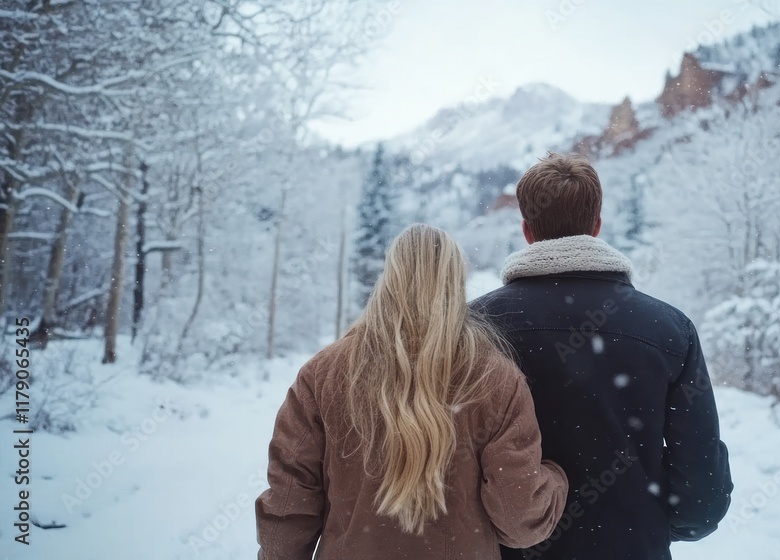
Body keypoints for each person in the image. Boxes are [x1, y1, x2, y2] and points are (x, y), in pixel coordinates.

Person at [472, 153, 733, 560]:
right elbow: (702, 488)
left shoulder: (472, 328)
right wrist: (651, 527)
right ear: (596, 226)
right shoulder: (668, 329)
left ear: (526, 230)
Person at [256, 224, 568, 560]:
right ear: (455, 283)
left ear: (388, 280)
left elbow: (288, 508)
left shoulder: (322, 375)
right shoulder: (495, 379)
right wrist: (557, 478)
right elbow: (519, 521)